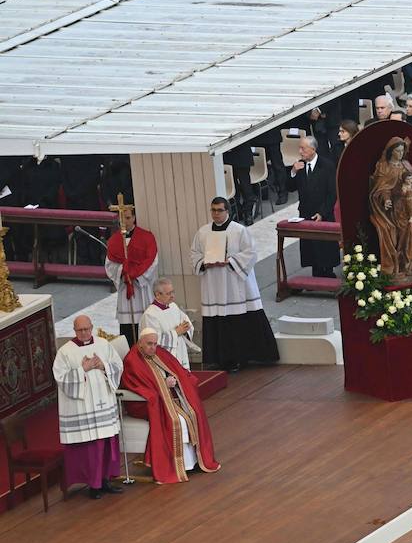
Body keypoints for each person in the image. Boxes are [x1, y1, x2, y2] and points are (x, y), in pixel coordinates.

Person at [190, 197, 279, 372]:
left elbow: (251, 253)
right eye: (213, 210)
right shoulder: (203, 232)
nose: (216, 214)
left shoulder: (239, 231)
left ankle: (239, 359)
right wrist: (204, 263)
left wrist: (230, 261)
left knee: (235, 320)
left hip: (233, 282)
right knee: (216, 320)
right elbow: (194, 254)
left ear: (227, 211)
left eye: (219, 210)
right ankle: (217, 359)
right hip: (213, 284)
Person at [121, 328, 220, 484]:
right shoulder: (132, 360)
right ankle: (177, 465)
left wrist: (177, 379)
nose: (153, 348)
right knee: (178, 420)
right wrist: (164, 385)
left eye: (155, 344)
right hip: (145, 404)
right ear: (140, 344)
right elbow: (137, 387)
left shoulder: (158, 352)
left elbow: (175, 368)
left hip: (166, 397)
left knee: (192, 412)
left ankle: (192, 461)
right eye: (149, 344)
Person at [51, 315, 123, 500]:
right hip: (83, 408)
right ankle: (94, 485)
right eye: (79, 330)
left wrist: (103, 365)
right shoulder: (65, 351)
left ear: (92, 327)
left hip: (103, 403)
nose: (84, 333)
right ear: (74, 331)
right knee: (92, 449)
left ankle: (106, 480)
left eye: (86, 329)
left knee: (107, 444)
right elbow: (60, 378)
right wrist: (82, 369)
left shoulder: (103, 344)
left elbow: (118, 366)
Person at [105, 203, 159, 347]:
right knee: (128, 330)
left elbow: (152, 261)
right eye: (122, 218)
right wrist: (123, 272)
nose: (125, 221)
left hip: (141, 289)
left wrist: (135, 275)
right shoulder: (114, 240)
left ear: (134, 218)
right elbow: (110, 265)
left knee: (145, 326)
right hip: (125, 289)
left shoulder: (146, 237)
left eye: (128, 217)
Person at [289, 136, 339, 278]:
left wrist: (322, 212)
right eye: (299, 148)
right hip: (306, 211)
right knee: (310, 245)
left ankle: (328, 272)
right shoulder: (299, 165)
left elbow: (332, 193)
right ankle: (316, 272)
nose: (300, 152)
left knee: (325, 244)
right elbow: (290, 187)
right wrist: (293, 172)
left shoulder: (327, 165)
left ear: (313, 149)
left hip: (323, 212)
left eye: (303, 148)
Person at [140, 278, 195, 369]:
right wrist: (176, 332)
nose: (172, 296)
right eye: (168, 293)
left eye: (173, 292)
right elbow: (152, 342)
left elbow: (186, 323)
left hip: (180, 352)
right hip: (164, 360)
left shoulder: (173, 306)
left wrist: (186, 328)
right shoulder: (150, 315)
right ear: (157, 295)